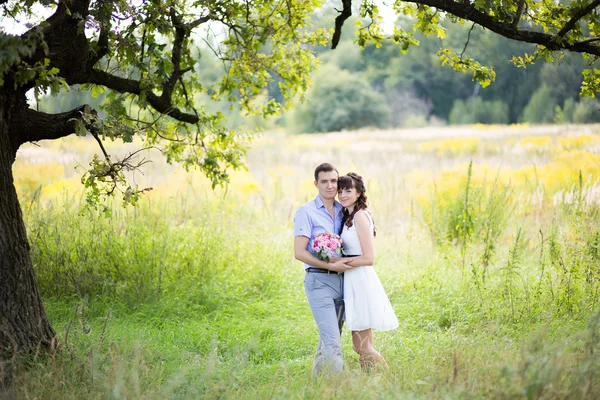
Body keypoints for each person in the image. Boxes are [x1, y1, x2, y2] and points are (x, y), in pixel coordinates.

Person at [293, 163, 354, 374]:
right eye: (324, 181)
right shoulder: (306, 212)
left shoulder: (344, 210)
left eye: (334, 181)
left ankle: (317, 385)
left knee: (330, 337)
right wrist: (330, 264)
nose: (330, 186)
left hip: (343, 282)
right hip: (318, 282)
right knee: (332, 343)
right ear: (316, 184)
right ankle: (341, 388)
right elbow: (299, 252)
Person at [337, 172, 398, 371]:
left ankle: (389, 375)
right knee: (362, 344)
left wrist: (340, 262)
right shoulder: (350, 216)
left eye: (348, 190)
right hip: (354, 278)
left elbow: (369, 258)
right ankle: (369, 380)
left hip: (359, 279)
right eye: (340, 190)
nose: (343, 195)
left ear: (358, 192)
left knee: (361, 346)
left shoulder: (360, 217)